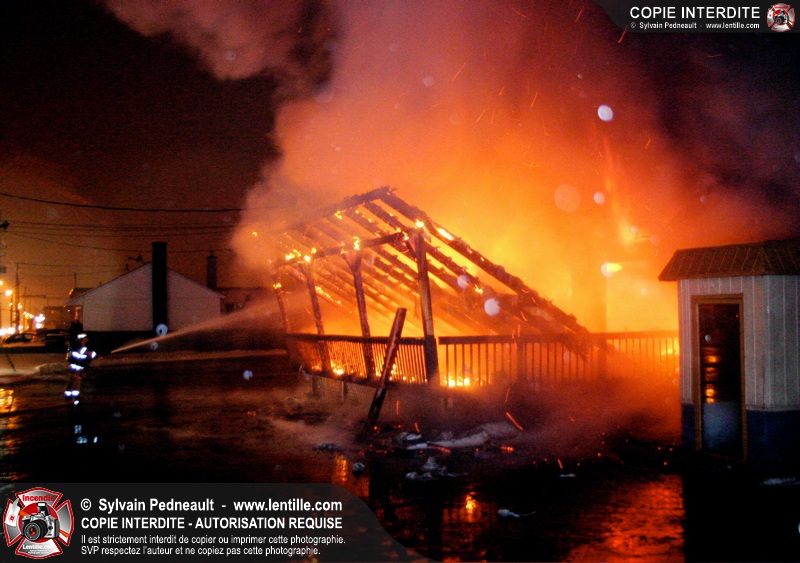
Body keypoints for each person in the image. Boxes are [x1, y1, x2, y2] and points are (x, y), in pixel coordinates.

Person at [65, 333, 96, 403]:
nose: (87, 339)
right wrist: (91, 355)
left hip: (74, 366)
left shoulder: (74, 346)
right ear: (82, 339)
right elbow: (82, 356)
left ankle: (70, 396)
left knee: (74, 380)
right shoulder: (80, 347)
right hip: (76, 366)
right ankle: (73, 397)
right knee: (76, 380)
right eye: (85, 338)